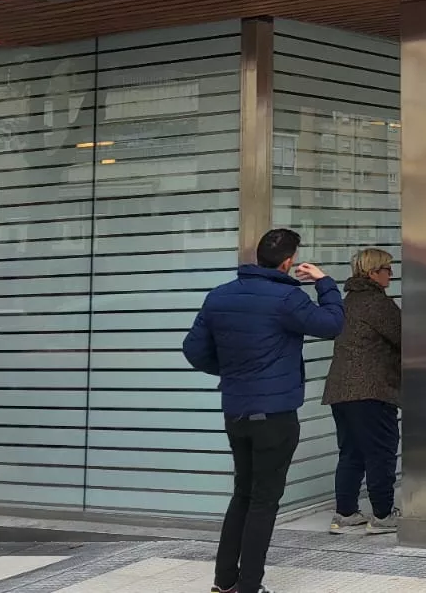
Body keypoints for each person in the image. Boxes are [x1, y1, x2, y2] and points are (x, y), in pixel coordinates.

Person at [183, 229, 345, 593]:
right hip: (275, 416)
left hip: (237, 412)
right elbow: (333, 324)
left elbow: (193, 350)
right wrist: (325, 283)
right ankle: (249, 586)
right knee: (263, 501)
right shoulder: (287, 298)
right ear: (288, 262)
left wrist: (234, 373)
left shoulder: (219, 295)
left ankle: (224, 583)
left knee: (243, 493)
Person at [322, 248, 403, 536]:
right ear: (372, 273)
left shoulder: (348, 302)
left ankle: (345, 513)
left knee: (352, 452)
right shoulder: (376, 304)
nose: (390, 274)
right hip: (371, 390)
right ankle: (382, 514)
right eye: (387, 269)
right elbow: (405, 335)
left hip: (340, 391)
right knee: (381, 451)